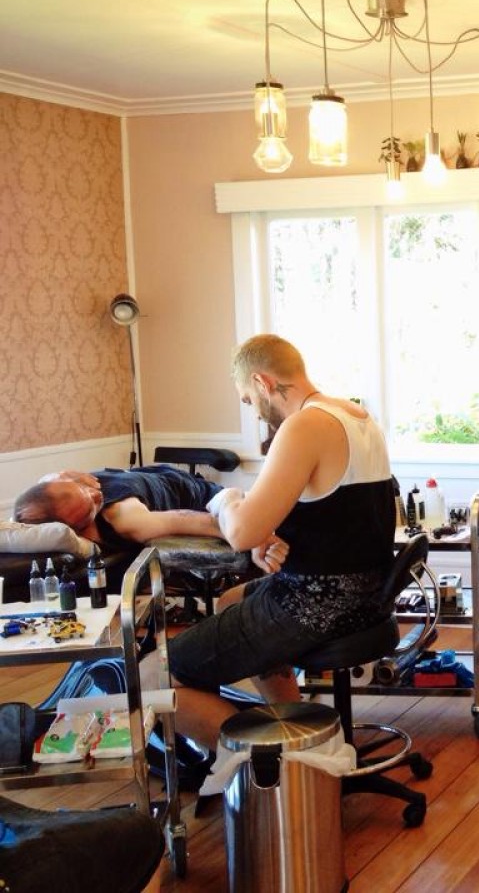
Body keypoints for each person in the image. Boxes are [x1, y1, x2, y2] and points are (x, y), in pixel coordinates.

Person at [164, 334, 396, 789]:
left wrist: (227, 499)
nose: (254, 411)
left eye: (248, 399)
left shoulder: (304, 426)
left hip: (317, 605)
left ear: (262, 382)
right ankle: (290, 721)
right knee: (231, 601)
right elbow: (333, 511)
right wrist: (268, 534)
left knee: (159, 675)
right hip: (365, 596)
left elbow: (241, 531)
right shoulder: (356, 416)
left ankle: (283, 766)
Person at [13, 466, 287, 576]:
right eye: (91, 506)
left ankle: (233, 499)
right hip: (191, 495)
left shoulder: (54, 483)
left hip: (198, 490)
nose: (96, 492)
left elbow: (44, 486)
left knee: (233, 504)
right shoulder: (127, 520)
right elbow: (201, 523)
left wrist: (254, 531)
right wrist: (256, 537)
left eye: (83, 488)